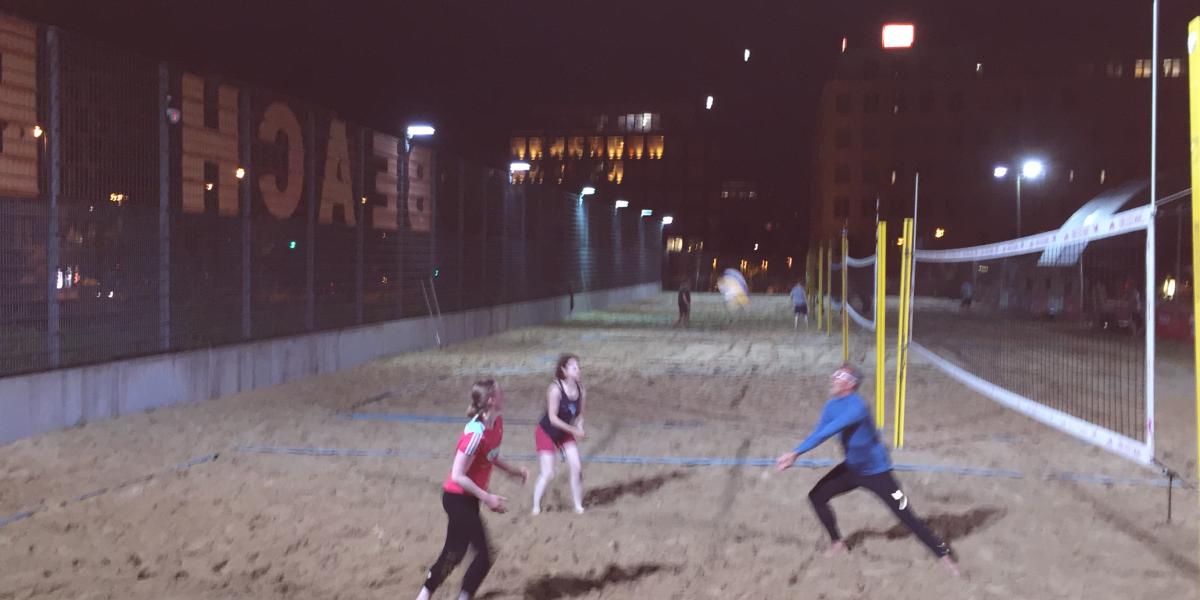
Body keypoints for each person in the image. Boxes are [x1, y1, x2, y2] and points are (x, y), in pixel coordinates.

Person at [774, 364, 959, 577]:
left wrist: (795, 453)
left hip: (879, 474)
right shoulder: (831, 406)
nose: (834, 378)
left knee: (907, 515)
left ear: (851, 383)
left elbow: (828, 431)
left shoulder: (858, 407)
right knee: (816, 497)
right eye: (835, 374)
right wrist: (796, 451)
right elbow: (819, 431)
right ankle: (837, 543)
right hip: (851, 470)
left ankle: (944, 555)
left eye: (840, 375)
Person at [416, 380, 527, 600]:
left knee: (454, 552)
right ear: (491, 400)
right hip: (456, 499)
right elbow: (458, 475)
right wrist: (487, 498)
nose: (504, 395)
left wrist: (512, 471)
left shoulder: (497, 423)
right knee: (484, 554)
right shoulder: (475, 433)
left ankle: (424, 594)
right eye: (500, 393)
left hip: (468, 499)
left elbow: (491, 456)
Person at [531, 354, 587, 515]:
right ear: (564, 370)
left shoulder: (581, 390)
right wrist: (574, 430)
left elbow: (580, 414)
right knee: (548, 473)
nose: (578, 370)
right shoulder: (555, 389)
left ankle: (578, 505)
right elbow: (553, 418)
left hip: (564, 432)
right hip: (546, 432)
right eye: (574, 367)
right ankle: (536, 505)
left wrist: (580, 426)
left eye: (578, 367)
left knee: (576, 467)